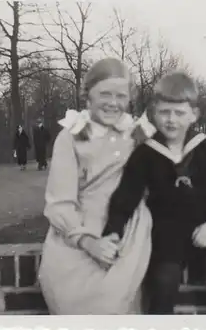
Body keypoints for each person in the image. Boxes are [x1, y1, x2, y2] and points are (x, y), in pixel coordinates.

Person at [102, 71, 206, 314]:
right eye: (165, 112)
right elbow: (126, 196)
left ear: (193, 115)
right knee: (163, 285)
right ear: (154, 113)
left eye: (179, 113)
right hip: (168, 235)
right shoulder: (146, 154)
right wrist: (113, 232)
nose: (171, 120)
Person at [38, 58, 156, 315]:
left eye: (121, 96)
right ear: (87, 95)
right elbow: (60, 203)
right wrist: (88, 243)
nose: (113, 103)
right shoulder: (70, 137)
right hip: (79, 237)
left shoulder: (137, 134)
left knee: (119, 307)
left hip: (127, 236)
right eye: (105, 94)